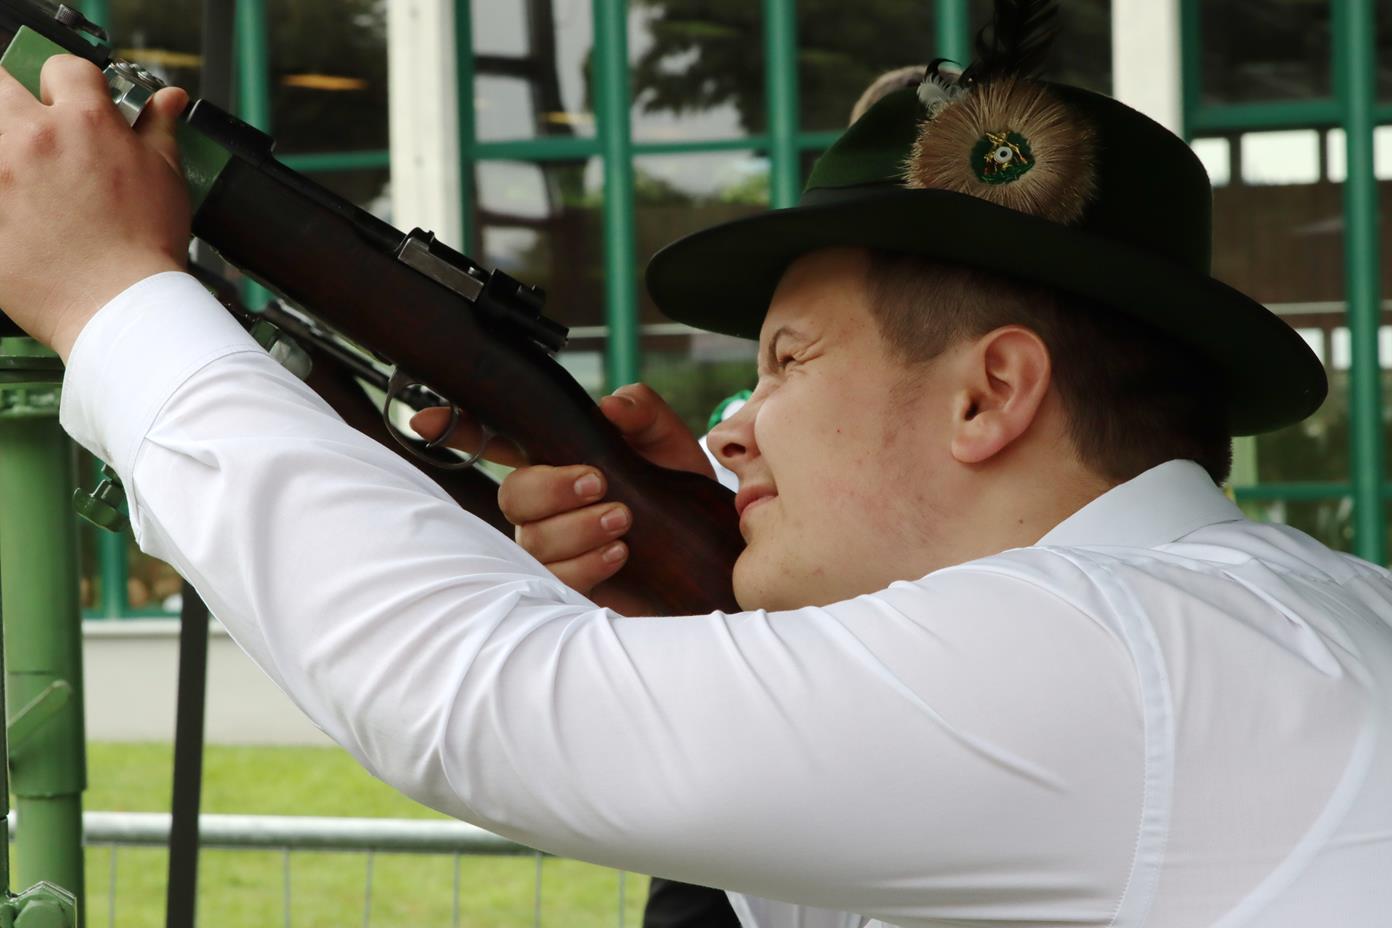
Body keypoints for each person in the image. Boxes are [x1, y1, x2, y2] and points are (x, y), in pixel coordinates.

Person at [1, 6, 1390, 926]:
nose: (731, 430)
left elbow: (482, 702)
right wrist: (699, 605)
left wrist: (112, 296)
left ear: (991, 394)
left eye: (788, 362)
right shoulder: (1262, 619)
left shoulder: (1120, 655)